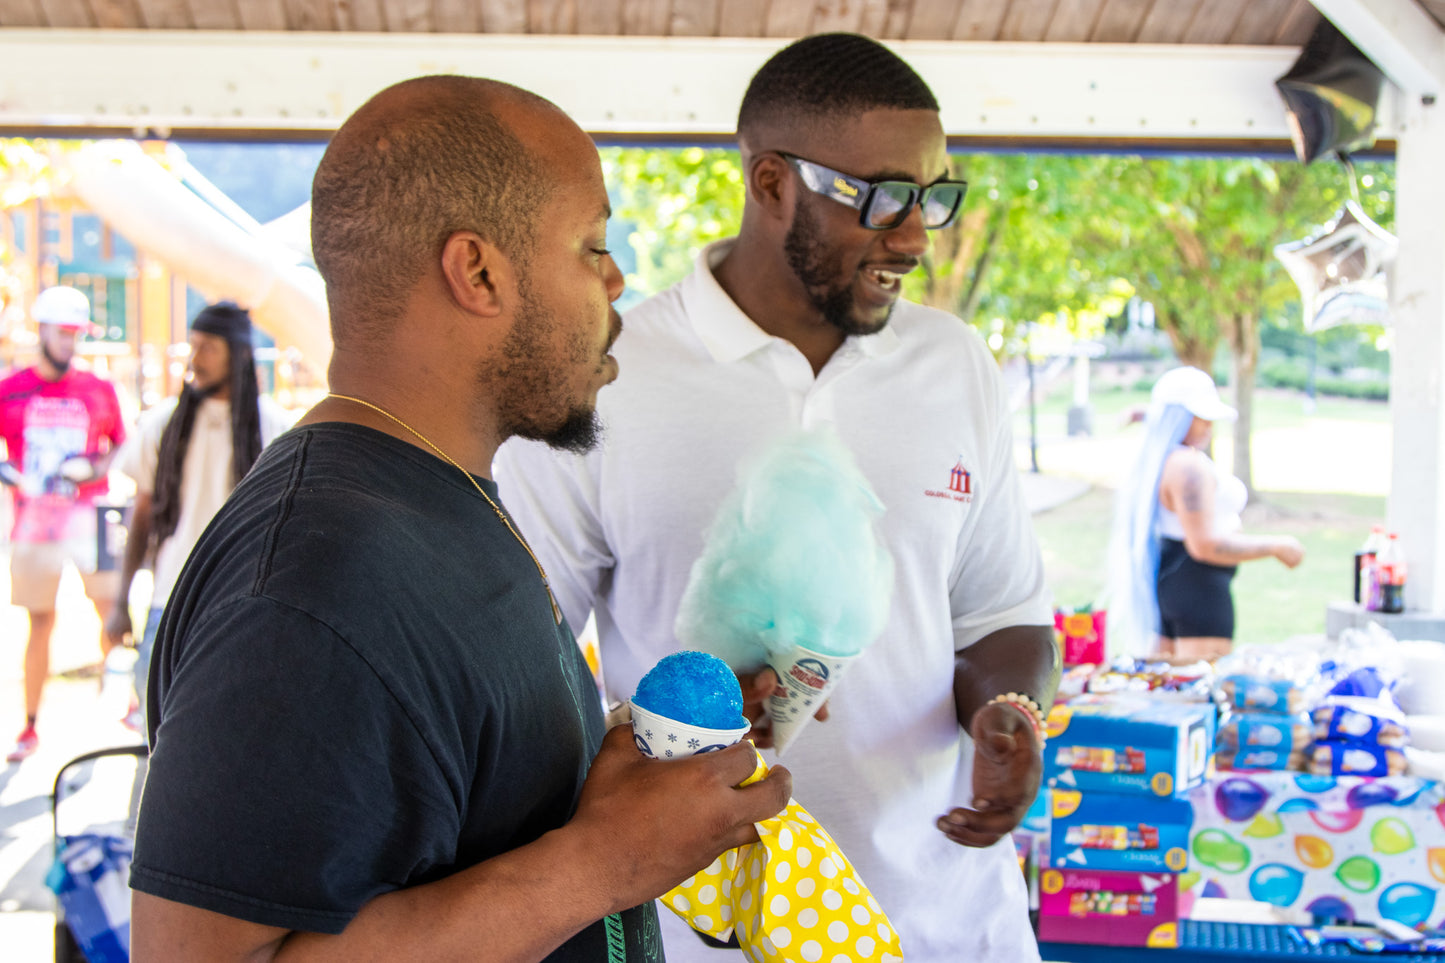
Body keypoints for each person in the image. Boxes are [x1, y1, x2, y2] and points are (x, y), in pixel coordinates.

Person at [128, 75, 791, 962]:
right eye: (590, 245)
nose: (616, 278)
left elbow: (445, 790)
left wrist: (627, 772)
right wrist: (600, 862)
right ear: (478, 271)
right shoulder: (313, 584)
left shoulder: (437, 491)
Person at [494, 33, 1060, 961]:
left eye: (933, 197)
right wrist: (666, 727)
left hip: (949, 925)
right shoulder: (610, 374)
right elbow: (521, 670)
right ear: (770, 185)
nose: (913, 236)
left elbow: (1002, 618)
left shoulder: (954, 366)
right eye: (880, 198)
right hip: (701, 927)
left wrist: (1011, 715)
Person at [106, 302, 294, 728]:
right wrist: (120, 601)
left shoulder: (277, 430)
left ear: (241, 353)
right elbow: (142, 517)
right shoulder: (161, 425)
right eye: (192, 346)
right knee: (157, 741)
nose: (195, 359)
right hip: (167, 604)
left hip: (242, 609)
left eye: (208, 347)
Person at [0, 285, 126, 763]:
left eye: (77, 334)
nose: (71, 343)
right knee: (39, 622)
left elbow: (121, 446)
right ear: (42, 331)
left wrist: (93, 468)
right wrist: (7, 472)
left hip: (89, 519)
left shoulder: (99, 389)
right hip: (34, 527)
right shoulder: (10, 388)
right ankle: (30, 725)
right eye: (64, 333)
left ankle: (127, 703)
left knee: (109, 609)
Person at [1108, 365, 1305, 661]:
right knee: (1196, 690)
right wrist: (1277, 546)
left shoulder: (1164, 456)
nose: (1209, 426)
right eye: (1202, 417)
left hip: (1177, 581)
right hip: (1197, 588)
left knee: (1170, 686)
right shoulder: (1187, 466)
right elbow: (1205, 545)